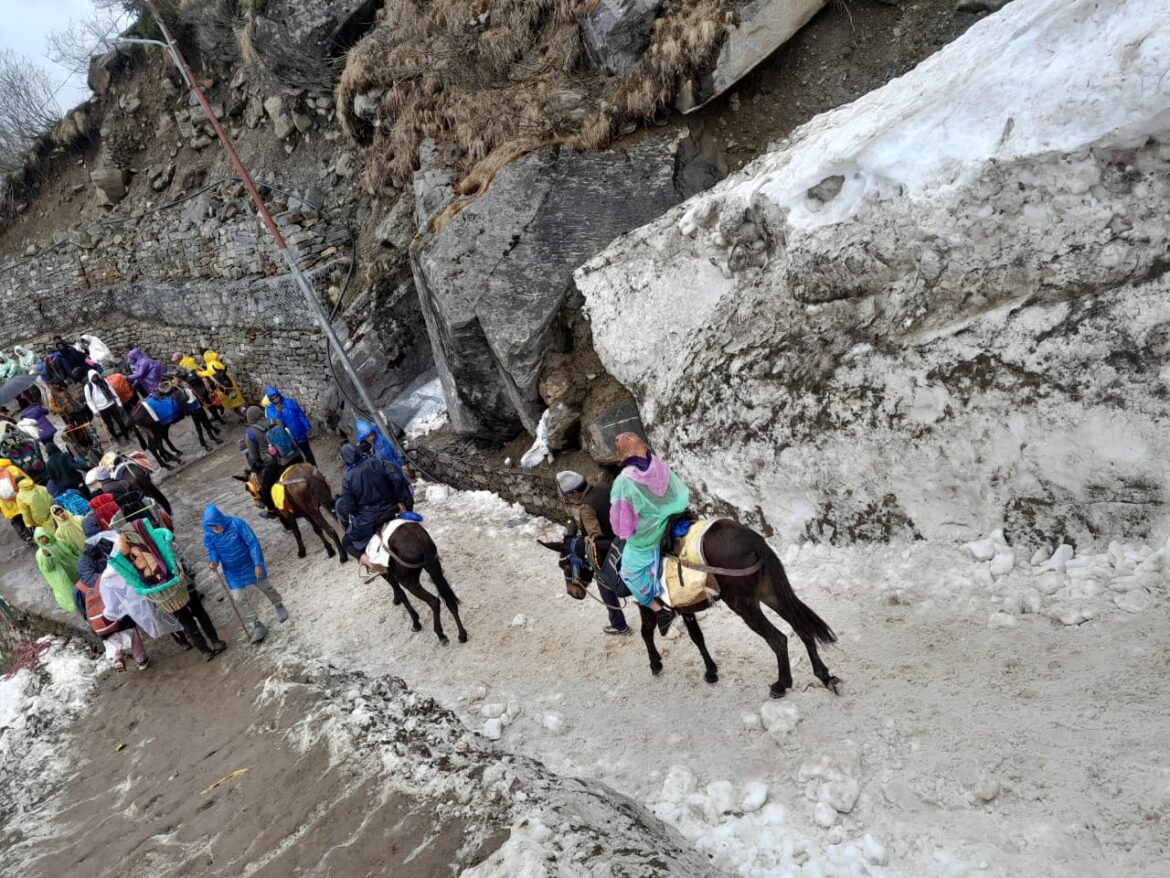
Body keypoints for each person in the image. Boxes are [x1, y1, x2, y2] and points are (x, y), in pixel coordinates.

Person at [107, 520, 225, 660]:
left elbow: (132, 578)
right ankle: (216, 642)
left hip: (164, 594)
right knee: (199, 612)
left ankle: (205, 651)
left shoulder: (131, 556)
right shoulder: (162, 539)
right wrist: (191, 577)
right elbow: (184, 562)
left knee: (186, 621)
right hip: (183, 584)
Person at [609, 433, 690, 636]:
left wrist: (625, 532)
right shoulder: (658, 464)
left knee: (628, 573)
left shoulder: (623, 481)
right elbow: (680, 492)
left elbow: (621, 524)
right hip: (678, 519)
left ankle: (660, 611)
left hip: (651, 535)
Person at [557, 470, 630, 636]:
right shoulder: (604, 487)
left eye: (570, 495)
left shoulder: (586, 508)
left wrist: (585, 547)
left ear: (574, 492)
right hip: (630, 532)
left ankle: (619, 625)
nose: (572, 498)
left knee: (603, 581)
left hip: (618, 546)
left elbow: (595, 538)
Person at [203, 504, 288, 644]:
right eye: (212, 527)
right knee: (238, 598)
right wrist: (214, 561)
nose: (215, 529)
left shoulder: (237, 524)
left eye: (216, 525)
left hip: (250, 565)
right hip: (232, 572)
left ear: (221, 520)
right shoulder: (210, 534)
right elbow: (212, 549)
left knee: (266, 587)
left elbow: (253, 543)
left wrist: (258, 563)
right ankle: (256, 624)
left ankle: (278, 604)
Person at [335, 443, 412, 559]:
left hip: (370, 519)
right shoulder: (376, 462)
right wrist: (398, 500)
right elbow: (397, 478)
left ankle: (369, 563)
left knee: (346, 542)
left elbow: (351, 508)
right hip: (392, 507)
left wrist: (358, 512)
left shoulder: (347, 478)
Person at [33, 526, 82, 612]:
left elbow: (72, 549)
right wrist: (47, 557)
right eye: (39, 538)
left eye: (43, 536)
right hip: (61, 577)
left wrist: (80, 557)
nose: (42, 539)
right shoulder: (40, 554)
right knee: (69, 591)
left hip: (73, 569)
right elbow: (47, 568)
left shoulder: (60, 542)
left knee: (81, 586)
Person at [264, 386, 314, 465]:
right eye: (273, 399)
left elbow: (300, 415)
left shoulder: (289, 402)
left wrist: (307, 427)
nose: (276, 399)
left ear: (278, 394)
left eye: (276, 396)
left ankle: (314, 469)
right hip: (287, 439)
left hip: (299, 432)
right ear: (270, 400)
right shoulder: (270, 410)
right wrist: (278, 413)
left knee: (308, 453)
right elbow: (273, 425)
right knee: (297, 459)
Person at [83, 369, 132, 443]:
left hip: (111, 404)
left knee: (120, 421)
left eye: (96, 377)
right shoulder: (88, 387)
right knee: (109, 425)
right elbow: (89, 400)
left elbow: (112, 391)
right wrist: (95, 410)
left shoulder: (104, 381)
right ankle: (117, 439)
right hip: (101, 408)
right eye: (93, 378)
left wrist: (118, 402)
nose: (95, 379)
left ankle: (127, 437)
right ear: (90, 378)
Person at [197, 351, 246, 420]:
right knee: (238, 402)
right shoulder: (215, 362)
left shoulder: (211, 365)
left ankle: (244, 417)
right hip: (229, 383)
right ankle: (245, 415)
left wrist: (198, 373)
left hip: (224, 389)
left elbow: (210, 373)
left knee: (233, 404)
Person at [0, 457, 34, 547]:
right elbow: (26, 479)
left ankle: (26, 536)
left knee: (15, 520)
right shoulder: (12, 468)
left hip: (7, 504)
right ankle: (34, 529)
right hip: (20, 497)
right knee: (27, 513)